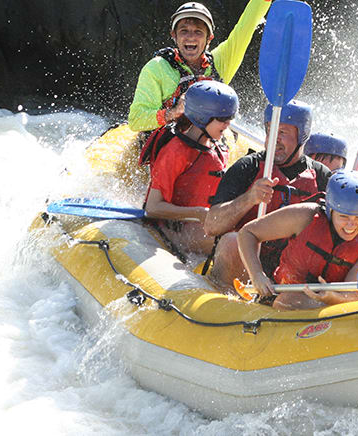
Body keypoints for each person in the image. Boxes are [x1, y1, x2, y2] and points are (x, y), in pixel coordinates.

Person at [204, 100, 332, 285]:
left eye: (282, 132)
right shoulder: (248, 166)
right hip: (246, 264)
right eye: (270, 131)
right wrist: (248, 199)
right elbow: (211, 226)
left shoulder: (321, 177)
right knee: (232, 241)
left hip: (291, 269)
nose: (274, 139)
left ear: (302, 136)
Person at [238, 170, 358, 310]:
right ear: (330, 210)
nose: (351, 225)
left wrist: (331, 297)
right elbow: (247, 233)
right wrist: (257, 274)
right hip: (279, 295)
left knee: (292, 301)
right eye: (343, 216)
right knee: (289, 300)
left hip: (330, 308)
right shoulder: (305, 216)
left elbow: (352, 295)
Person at [128, 1, 271, 132]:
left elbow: (246, 26)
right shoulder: (157, 68)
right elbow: (136, 120)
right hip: (169, 146)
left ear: (209, 38)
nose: (191, 37)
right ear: (174, 35)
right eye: (184, 31)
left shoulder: (220, 63)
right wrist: (173, 113)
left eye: (198, 31)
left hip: (207, 143)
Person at [141, 81, 237, 254]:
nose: (228, 124)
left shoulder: (219, 145)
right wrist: (199, 213)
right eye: (223, 119)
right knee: (232, 243)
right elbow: (152, 207)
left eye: (230, 118)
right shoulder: (176, 151)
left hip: (201, 225)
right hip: (173, 230)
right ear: (201, 118)